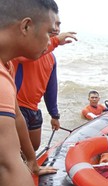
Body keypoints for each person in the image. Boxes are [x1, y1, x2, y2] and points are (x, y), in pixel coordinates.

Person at [0, 0, 59, 186]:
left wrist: (33, 162)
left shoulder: (7, 65)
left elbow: (15, 116)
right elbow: (6, 166)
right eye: (48, 33)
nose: (51, 40)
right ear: (26, 26)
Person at [13, 14, 77, 151]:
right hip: (16, 106)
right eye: (54, 24)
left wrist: (54, 115)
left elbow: (51, 88)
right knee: (18, 148)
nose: (57, 29)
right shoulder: (25, 50)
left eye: (59, 25)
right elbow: (24, 57)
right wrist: (55, 42)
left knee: (34, 146)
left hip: (34, 109)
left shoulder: (51, 58)